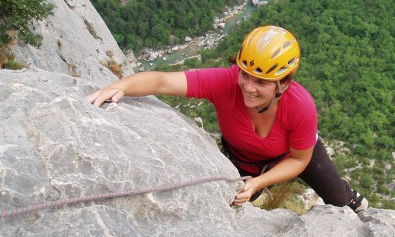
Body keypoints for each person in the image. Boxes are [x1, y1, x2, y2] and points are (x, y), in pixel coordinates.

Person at [87, 25, 368, 212]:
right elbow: (162, 81)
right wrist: (122, 86)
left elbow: (299, 160)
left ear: (283, 83)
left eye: (261, 81)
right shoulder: (225, 82)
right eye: (245, 74)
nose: (248, 86)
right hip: (243, 159)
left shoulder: (300, 106)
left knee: (338, 200)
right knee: (234, 205)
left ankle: (351, 197)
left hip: (293, 154)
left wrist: (260, 182)